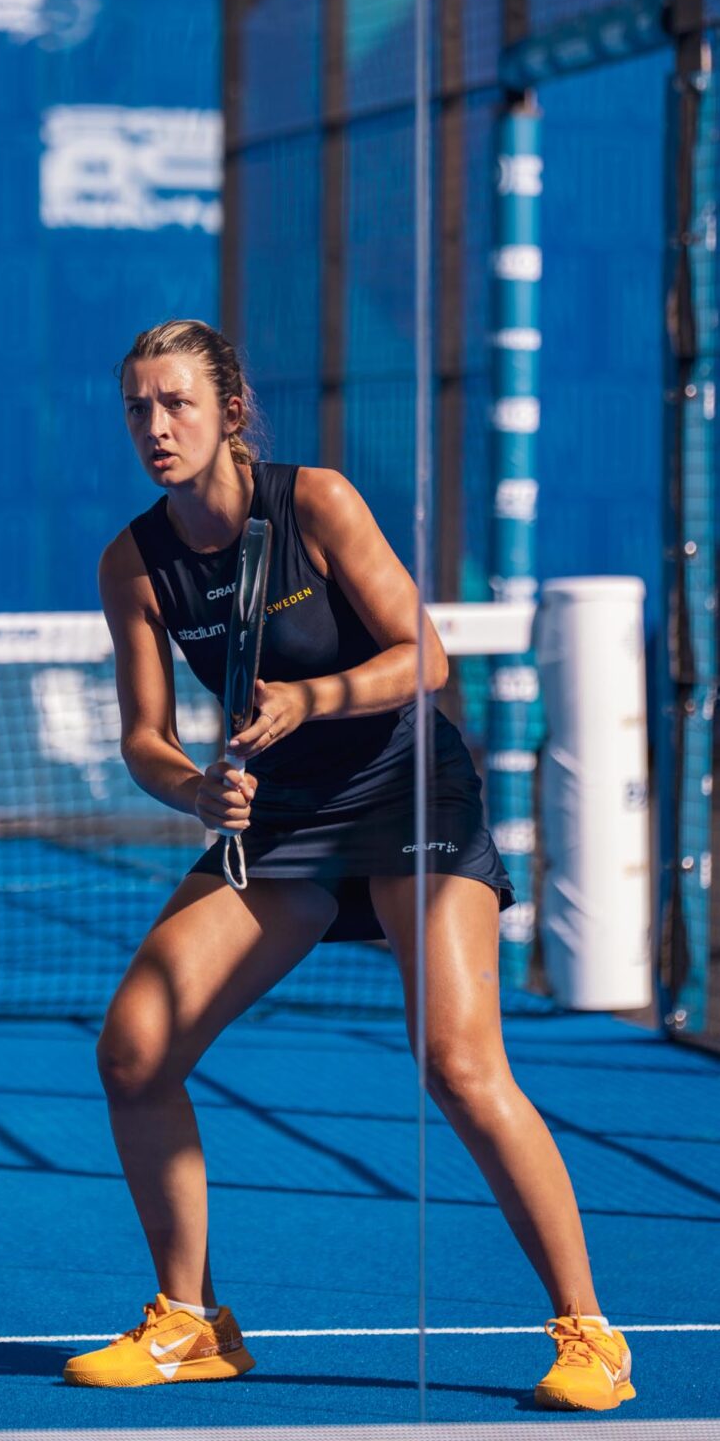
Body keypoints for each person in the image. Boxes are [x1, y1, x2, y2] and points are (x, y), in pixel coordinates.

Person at [61, 319, 635, 1411]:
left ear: (230, 410)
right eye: (137, 407)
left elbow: (425, 656)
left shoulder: (314, 502)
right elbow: (144, 738)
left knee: (456, 1064)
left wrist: (310, 699)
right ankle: (192, 1321)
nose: (154, 427)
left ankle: (589, 1335)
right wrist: (192, 789)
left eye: (176, 403)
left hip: (407, 792)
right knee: (134, 1050)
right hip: (280, 821)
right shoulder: (132, 564)